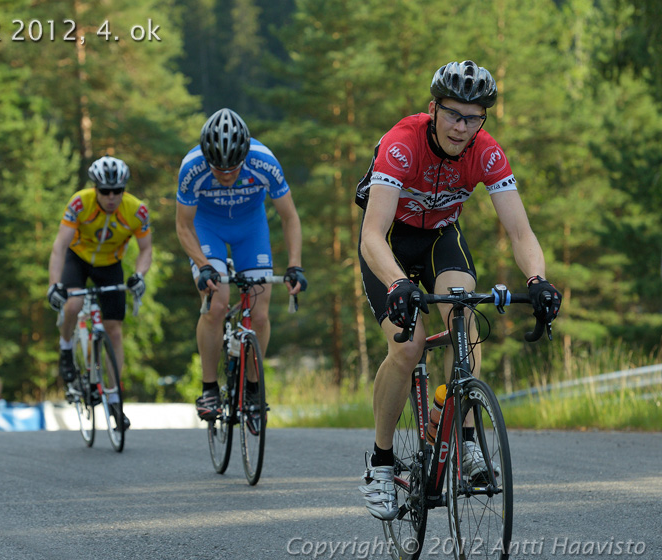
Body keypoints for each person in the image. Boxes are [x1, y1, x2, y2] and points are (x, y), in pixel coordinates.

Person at [355, 60, 562, 520]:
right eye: (453, 114)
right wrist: (397, 283)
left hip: (440, 240)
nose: (462, 126)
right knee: (407, 349)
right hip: (389, 241)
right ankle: (381, 464)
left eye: (473, 117)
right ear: (433, 108)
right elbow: (372, 235)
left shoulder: (486, 152)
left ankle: (463, 439)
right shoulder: (402, 145)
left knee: (463, 313)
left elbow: (521, 231)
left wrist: (537, 279)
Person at [175, 108, 307, 421]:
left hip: (251, 229)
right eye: (218, 168)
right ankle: (209, 387)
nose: (226, 174)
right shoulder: (191, 168)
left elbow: (290, 217)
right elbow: (183, 226)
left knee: (259, 315)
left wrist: (294, 264)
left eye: (233, 167)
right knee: (216, 304)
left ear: (245, 156)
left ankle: (252, 388)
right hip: (208, 229)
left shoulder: (265, 161)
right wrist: (202, 264)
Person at [47, 155, 152, 429]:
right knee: (74, 304)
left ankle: (116, 399)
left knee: (114, 329)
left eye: (118, 191)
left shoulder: (136, 211)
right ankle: (66, 348)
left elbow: (146, 250)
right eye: (105, 191)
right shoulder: (80, 203)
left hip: (110, 264)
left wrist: (139, 275)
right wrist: (54, 284)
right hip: (78, 259)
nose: (111, 197)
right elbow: (59, 247)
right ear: (96, 189)